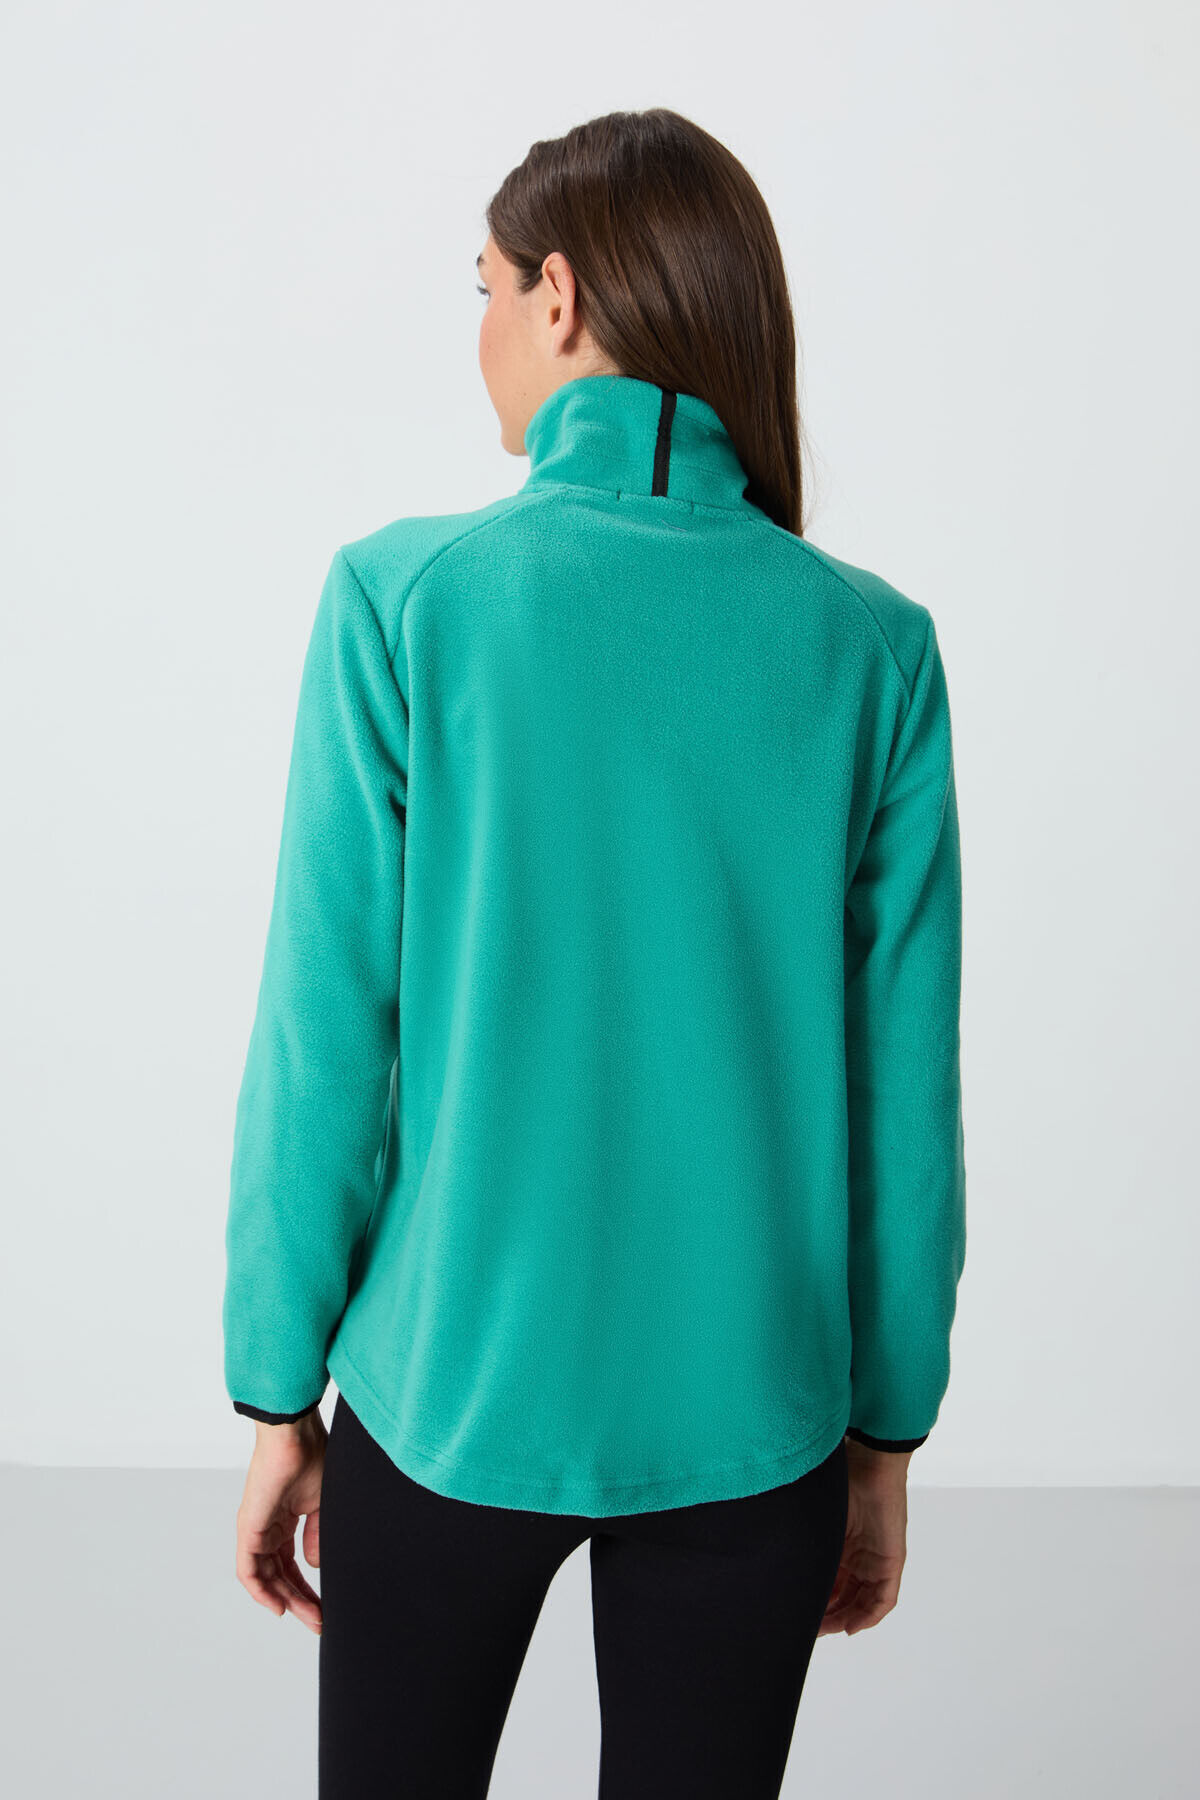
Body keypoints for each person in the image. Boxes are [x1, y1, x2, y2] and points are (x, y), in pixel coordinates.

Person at [222, 106, 967, 1799]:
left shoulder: (406, 599)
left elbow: (325, 1041)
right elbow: (900, 1101)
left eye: (483, 287)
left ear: (557, 296)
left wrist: (277, 1393)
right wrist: (884, 1437)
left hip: (450, 1397)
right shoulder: (873, 647)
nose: (481, 327)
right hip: (758, 1423)